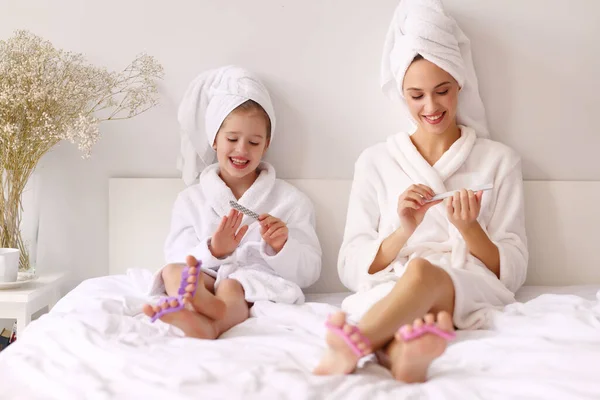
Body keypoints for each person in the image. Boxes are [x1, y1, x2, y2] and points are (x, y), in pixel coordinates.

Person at [314, 0, 528, 383]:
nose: (431, 106)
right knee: (410, 281)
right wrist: (403, 231)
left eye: (442, 90)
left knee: (421, 273)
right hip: (389, 287)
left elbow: (513, 271)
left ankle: (353, 344)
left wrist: (469, 230)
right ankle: (400, 356)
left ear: (459, 83)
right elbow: (349, 265)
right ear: (402, 95)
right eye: (416, 96)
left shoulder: (500, 161)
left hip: (466, 285)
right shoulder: (375, 161)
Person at [143, 65, 322, 339]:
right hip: (204, 277)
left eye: (253, 142)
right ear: (214, 139)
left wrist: (281, 247)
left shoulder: (291, 201)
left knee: (233, 285)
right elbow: (176, 254)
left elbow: (310, 272)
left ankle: (211, 322)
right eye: (232, 139)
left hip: (249, 283)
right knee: (172, 271)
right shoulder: (190, 200)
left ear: (267, 144)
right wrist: (214, 249)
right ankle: (195, 301)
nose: (241, 150)